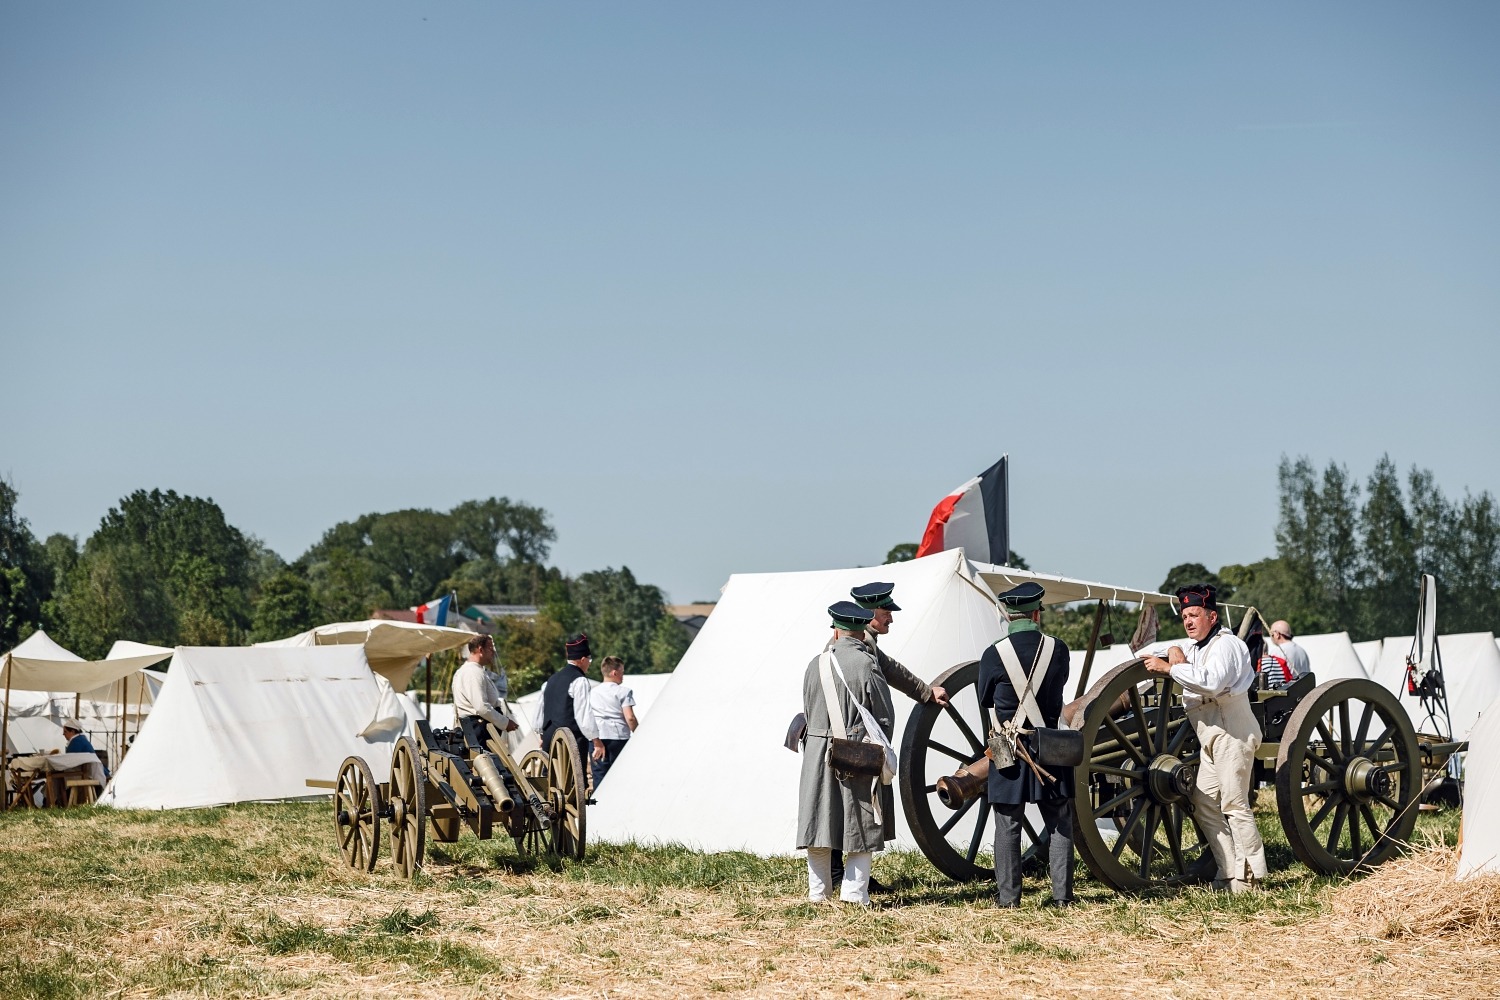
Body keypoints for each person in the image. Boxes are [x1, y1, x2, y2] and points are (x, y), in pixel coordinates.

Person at [825, 581, 951, 892]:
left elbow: (891, 669)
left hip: (844, 737)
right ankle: (843, 877)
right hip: (847, 738)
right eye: (886, 611)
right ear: (867, 613)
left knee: (848, 805)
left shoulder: (863, 643)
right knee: (850, 806)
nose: (890, 618)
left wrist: (924, 691)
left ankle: (844, 876)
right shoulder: (855, 647)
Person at [1142, 584, 1266, 892]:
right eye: (1184, 616)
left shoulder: (1226, 645)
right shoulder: (1195, 647)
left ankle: (1251, 878)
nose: (1188, 621)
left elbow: (1210, 684)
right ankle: (1227, 870)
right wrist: (1172, 652)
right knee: (1203, 801)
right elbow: (1159, 653)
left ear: (1212, 616)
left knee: (1235, 804)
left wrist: (1171, 668)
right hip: (1210, 736)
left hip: (1231, 731)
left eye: (1194, 614)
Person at [977, 582, 1075, 908]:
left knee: (1007, 824)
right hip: (1050, 745)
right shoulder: (1058, 649)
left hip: (1009, 748)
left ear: (1008, 614)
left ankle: (1008, 899)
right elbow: (1059, 686)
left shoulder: (994, 653)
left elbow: (984, 697)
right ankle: (1062, 897)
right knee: (1060, 821)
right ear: (1036, 613)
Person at [799, 601, 894, 906]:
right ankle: (854, 895)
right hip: (856, 750)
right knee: (861, 823)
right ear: (861, 627)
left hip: (816, 751)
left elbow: (808, 708)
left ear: (836, 629)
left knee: (818, 821)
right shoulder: (867, 664)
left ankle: (819, 893)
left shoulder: (815, 663)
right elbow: (883, 718)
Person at [538, 632, 606, 768]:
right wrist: (596, 741)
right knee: (577, 781)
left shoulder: (550, 680)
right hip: (570, 738)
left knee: (550, 777)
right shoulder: (579, 680)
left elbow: (540, 711)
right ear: (582, 659)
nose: (589, 664)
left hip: (549, 736)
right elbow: (584, 714)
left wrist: (542, 734)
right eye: (589, 660)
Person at [452, 635, 518, 735]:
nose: (493, 652)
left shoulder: (475, 670)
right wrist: (505, 723)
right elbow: (481, 707)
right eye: (490, 648)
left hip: (479, 728)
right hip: (478, 729)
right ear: (481, 649)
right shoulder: (472, 672)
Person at [589, 655, 637, 788]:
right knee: (620, 776)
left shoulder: (592, 693)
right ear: (614, 673)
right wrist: (638, 733)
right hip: (618, 738)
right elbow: (630, 717)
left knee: (599, 776)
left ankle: (598, 806)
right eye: (622, 672)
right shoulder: (624, 692)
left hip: (598, 739)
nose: (623, 676)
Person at [1267, 620, 1312, 687]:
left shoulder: (1277, 651)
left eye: (1271, 634)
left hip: (1290, 693)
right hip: (1304, 692)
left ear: (1277, 634)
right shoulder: (1301, 650)